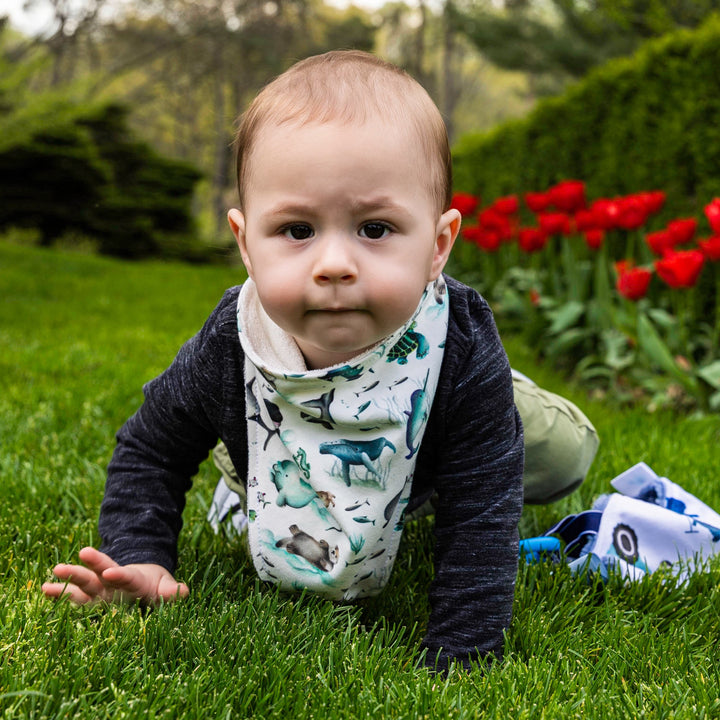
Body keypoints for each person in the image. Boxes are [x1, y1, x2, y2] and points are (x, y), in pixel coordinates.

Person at [42, 50, 597, 672]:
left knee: (548, 453)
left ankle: (499, 411)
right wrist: (141, 556)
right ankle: (258, 478)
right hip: (286, 414)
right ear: (245, 243)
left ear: (438, 246)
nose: (334, 263)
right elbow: (152, 448)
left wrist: (463, 649)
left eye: (376, 229)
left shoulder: (462, 347)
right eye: (298, 230)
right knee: (249, 446)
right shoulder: (230, 343)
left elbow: (483, 508)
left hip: (443, 403)